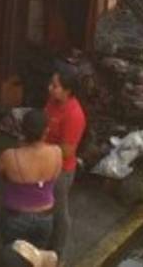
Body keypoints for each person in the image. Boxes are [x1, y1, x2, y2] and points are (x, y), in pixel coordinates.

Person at [0, 109, 62, 249]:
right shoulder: (56, 152)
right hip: (45, 215)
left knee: (12, 256)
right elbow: (55, 176)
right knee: (36, 257)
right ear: (46, 131)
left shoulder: (9, 156)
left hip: (16, 216)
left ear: (22, 131)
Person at [45, 68, 86, 261]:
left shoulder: (74, 114)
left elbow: (67, 151)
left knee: (59, 211)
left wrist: (39, 150)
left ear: (68, 90)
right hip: (47, 162)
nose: (50, 88)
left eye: (55, 86)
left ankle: (57, 253)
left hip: (62, 169)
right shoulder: (52, 102)